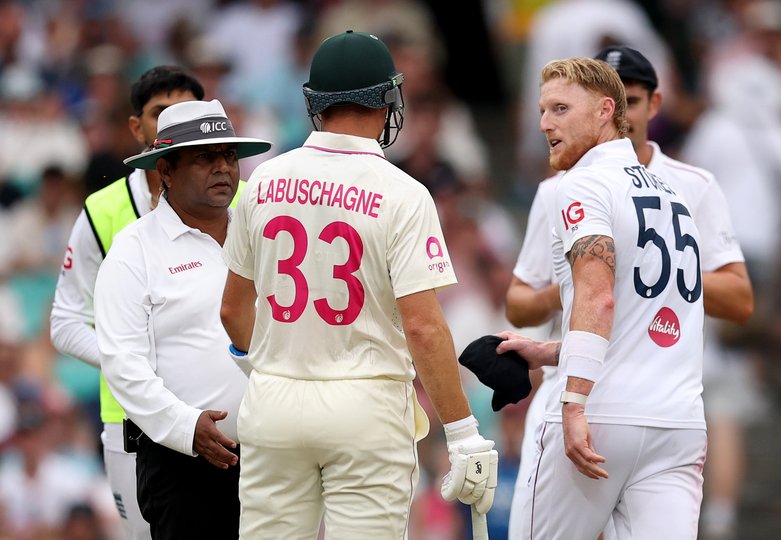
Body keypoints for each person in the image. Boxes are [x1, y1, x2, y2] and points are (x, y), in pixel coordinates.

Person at [219, 30, 497, 538]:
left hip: (272, 400)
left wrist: (272, 369)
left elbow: (233, 311)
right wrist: (462, 432)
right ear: (388, 98)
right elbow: (424, 326)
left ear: (313, 103)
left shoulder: (260, 181)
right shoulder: (405, 193)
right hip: (365, 405)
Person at [504, 46, 754, 540]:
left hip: (600, 412)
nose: (543, 125)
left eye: (560, 109)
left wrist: (573, 401)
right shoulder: (677, 192)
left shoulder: (578, 184)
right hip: (677, 424)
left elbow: (601, 300)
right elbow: (655, 317)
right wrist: (551, 350)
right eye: (541, 111)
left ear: (604, 111)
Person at [93, 99, 272, 539]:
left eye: (228, 156)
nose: (223, 168)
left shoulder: (264, 236)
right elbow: (122, 362)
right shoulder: (134, 250)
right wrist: (185, 427)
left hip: (274, 456)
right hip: (184, 467)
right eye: (204, 158)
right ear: (165, 172)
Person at [49, 65, 204, 540]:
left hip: (219, 412)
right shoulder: (102, 211)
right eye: (162, 114)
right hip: (131, 421)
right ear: (136, 127)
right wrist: (131, 360)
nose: (175, 124)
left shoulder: (239, 199)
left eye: (187, 113)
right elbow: (65, 322)